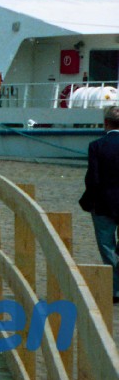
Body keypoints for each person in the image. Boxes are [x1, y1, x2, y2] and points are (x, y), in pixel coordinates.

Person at [80, 106, 119, 303]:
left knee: (107, 245)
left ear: (105, 123)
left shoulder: (96, 146)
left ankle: (115, 289)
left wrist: (87, 201)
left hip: (103, 203)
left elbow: (93, 179)